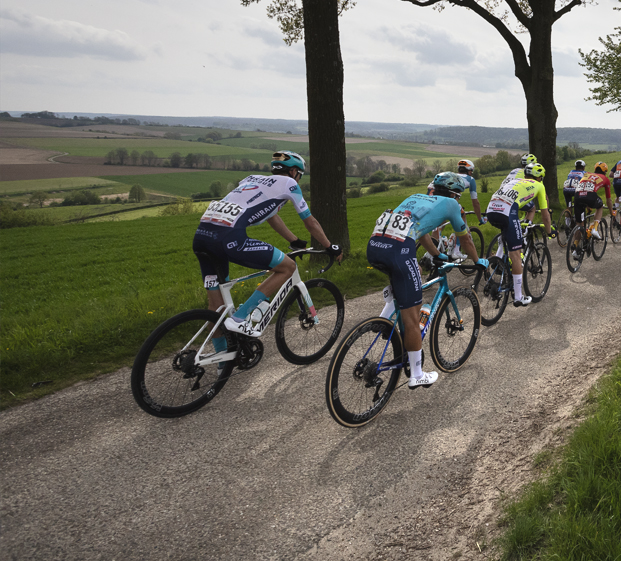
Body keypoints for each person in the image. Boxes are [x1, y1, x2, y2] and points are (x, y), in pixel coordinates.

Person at [193, 151, 342, 352]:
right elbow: (311, 222)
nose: (299, 178)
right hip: (228, 238)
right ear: (293, 171)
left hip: (202, 237)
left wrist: (294, 240)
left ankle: (222, 359)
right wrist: (329, 246)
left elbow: (271, 216)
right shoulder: (290, 184)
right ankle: (240, 318)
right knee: (287, 267)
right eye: (300, 174)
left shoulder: (253, 179)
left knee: (217, 307)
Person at [367, 172, 484, 388]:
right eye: (458, 196)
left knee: (404, 283)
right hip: (398, 250)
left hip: (375, 246)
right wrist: (478, 261)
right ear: (454, 194)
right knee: (413, 313)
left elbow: (420, 231)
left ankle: (383, 324)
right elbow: (465, 238)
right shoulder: (450, 204)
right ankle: (417, 375)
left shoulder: (415, 197)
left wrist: (437, 254)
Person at [486, 162, 554, 306]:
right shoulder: (539, 186)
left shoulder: (515, 181)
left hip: (491, 209)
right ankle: (518, 297)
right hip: (507, 211)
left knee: (508, 238)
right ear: (540, 178)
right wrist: (549, 232)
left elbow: (520, 202)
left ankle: (498, 263)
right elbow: (545, 215)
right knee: (515, 253)